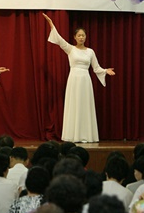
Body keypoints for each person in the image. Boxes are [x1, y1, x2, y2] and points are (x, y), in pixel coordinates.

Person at [43, 13, 115, 143]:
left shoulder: (90, 52)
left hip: (85, 80)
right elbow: (59, 39)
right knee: (74, 105)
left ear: (86, 37)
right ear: (75, 37)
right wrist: (51, 24)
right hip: (74, 80)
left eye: (83, 35)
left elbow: (96, 68)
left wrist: (105, 71)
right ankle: (72, 135)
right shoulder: (70, 49)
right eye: (79, 35)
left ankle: (86, 135)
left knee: (85, 106)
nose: (81, 37)